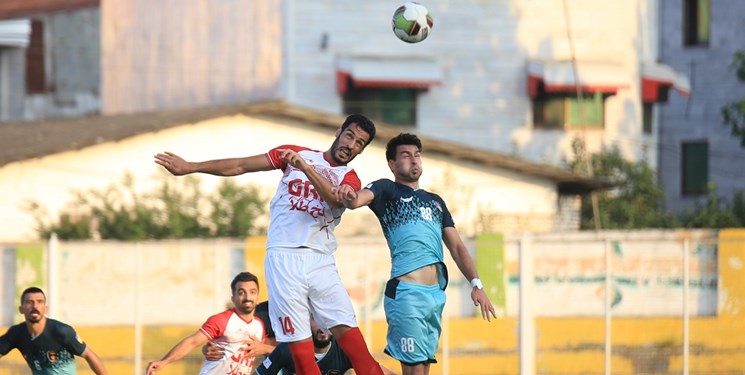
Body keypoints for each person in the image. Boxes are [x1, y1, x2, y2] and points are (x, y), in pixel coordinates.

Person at [155, 114, 385, 375]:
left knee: (355, 346)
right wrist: (192, 166)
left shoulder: (350, 179)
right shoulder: (296, 154)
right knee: (300, 352)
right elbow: (241, 165)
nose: (352, 144)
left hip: (320, 260)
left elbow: (334, 200)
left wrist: (306, 170)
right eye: (350, 136)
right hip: (282, 259)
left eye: (360, 143)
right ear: (338, 132)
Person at [337, 133, 498, 375]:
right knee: (413, 371)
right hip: (407, 295)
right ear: (392, 164)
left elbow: (456, 247)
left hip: (434, 297)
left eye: (417, 155)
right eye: (405, 155)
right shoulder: (387, 190)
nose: (414, 160)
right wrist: (349, 195)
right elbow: (357, 200)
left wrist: (476, 283)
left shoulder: (436, 202)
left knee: (422, 370)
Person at [146, 272, 267, 375]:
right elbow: (192, 342)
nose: (247, 297)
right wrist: (164, 361)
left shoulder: (259, 326)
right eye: (241, 292)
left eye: (252, 292)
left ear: (258, 297)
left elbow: (278, 349)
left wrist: (265, 348)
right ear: (233, 298)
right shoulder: (222, 320)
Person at [0, 286, 108, 375]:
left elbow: (89, 355)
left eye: (39, 302)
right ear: (21, 309)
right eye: (29, 302)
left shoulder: (61, 331)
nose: (35, 306)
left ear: (45, 309)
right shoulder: (16, 334)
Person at [255, 317, 397, 375]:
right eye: (315, 319)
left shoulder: (344, 349)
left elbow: (376, 369)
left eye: (325, 320)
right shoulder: (288, 349)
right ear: (306, 322)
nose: (322, 326)